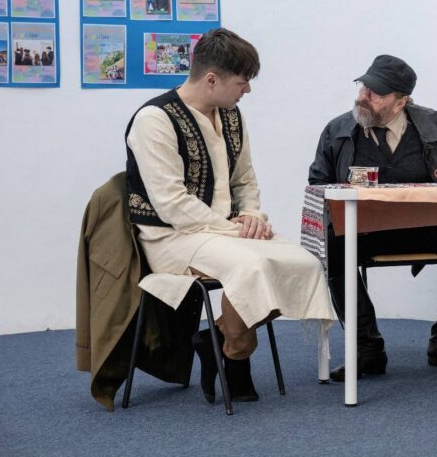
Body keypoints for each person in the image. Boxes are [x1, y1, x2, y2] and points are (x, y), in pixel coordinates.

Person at [126, 27, 334, 403]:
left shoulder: (232, 116)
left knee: (304, 264)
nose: (247, 90)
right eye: (242, 81)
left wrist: (252, 215)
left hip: (225, 231)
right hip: (172, 237)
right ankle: (237, 359)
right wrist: (233, 228)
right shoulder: (154, 120)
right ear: (211, 79)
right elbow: (171, 203)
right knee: (251, 267)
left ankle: (219, 337)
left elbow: (245, 180)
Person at [309, 54, 437, 380]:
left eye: (375, 92)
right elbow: (317, 184)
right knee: (331, 248)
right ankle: (367, 349)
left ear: (400, 102)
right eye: (363, 86)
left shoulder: (435, 123)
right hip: (365, 229)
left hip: (427, 224)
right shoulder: (337, 130)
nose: (363, 96)